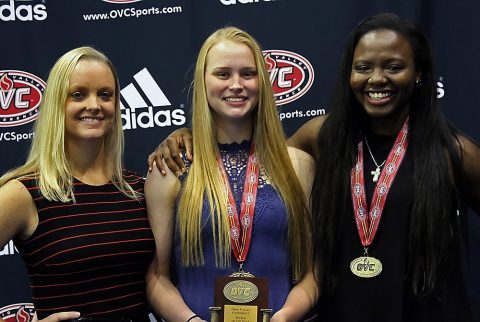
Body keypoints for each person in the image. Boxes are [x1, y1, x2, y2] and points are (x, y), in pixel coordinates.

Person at [148, 13, 480, 322]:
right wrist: (186, 134)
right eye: (363, 67)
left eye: (393, 66)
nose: (377, 78)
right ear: (350, 73)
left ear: (418, 73)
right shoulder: (323, 137)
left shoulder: (452, 151)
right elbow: (254, 156)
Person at [144, 27, 318, 322]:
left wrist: (286, 316)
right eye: (223, 74)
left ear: (262, 83)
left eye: (247, 74)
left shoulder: (298, 166)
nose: (236, 84)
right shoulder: (170, 169)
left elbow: (312, 273)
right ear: (203, 81)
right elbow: (156, 277)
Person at [0, 47, 155, 322]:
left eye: (105, 95)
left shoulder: (137, 188)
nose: (94, 105)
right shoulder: (24, 192)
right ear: (57, 102)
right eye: (78, 94)